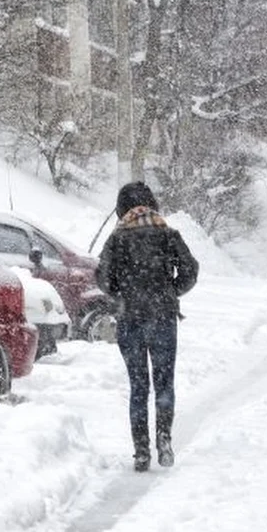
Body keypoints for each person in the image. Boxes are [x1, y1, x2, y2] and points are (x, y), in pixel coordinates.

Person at [95, 181, 199, 472]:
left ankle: (141, 451)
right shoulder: (167, 234)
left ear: (122, 208)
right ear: (152, 203)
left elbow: (102, 279)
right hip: (164, 317)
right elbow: (191, 269)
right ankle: (164, 438)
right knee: (164, 382)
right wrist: (171, 291)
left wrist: (122, 293)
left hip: (131, 320)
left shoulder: (117, 239)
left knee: (138, 386)